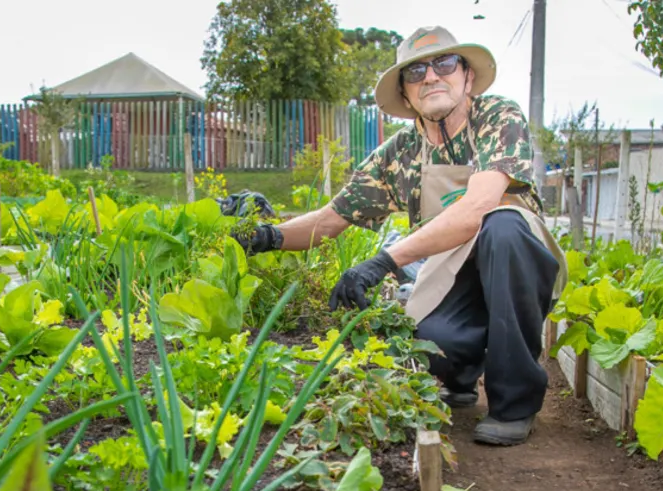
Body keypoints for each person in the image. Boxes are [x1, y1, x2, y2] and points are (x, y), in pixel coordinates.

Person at [233, 26, 567, 446]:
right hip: (453, 274)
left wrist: (385, 261)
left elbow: (477, 212)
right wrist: (262, 236)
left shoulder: (498, 117)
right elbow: (332, 219)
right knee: (427, 344)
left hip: (516, 265)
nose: (431, 76)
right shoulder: (398, 154)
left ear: (466, 76)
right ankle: (459, 377)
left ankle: (514, 404)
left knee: (502, 228)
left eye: (445, 64)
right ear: (406, 95)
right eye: (415, 72)